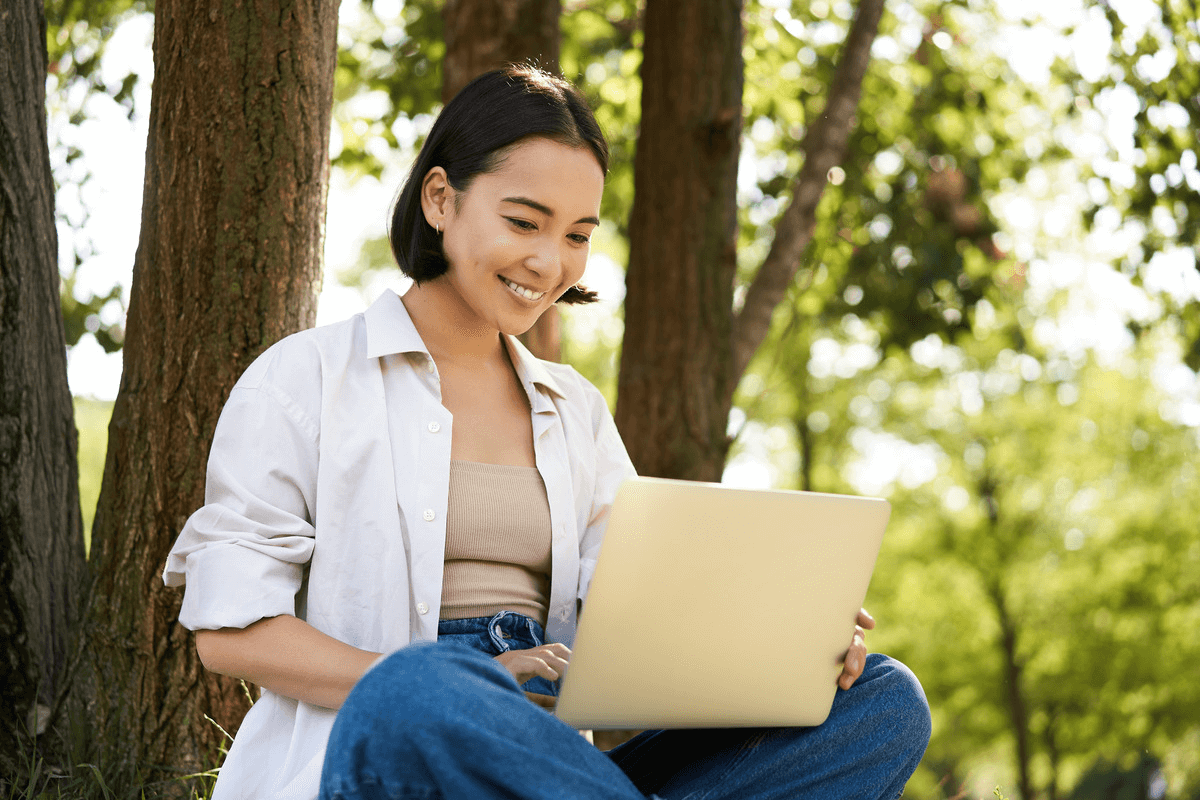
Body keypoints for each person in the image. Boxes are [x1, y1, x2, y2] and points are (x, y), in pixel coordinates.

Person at [164, 65, 930, 800]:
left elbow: (636, 625)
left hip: (552, 767)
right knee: (420, 681)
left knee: (886, 702)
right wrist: (469, 679)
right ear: (440, 199)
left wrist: (788, 643)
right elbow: (231, 635)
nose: (549, 261)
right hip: (387, 755)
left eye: (577, 235)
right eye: (524, 222)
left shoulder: (574, 411)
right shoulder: (304, 380)